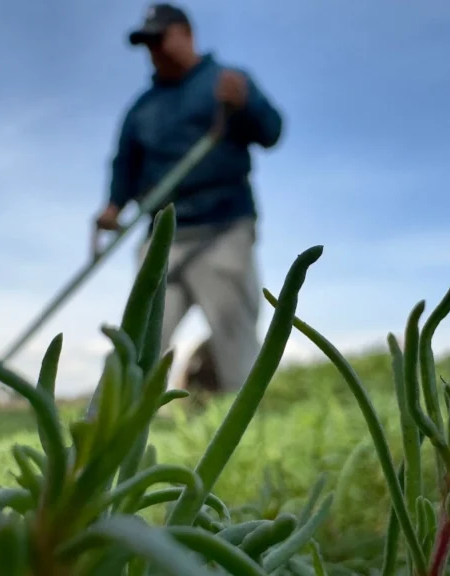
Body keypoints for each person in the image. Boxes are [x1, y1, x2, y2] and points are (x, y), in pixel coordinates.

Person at [94, 3, 283, 393]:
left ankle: (246, 424)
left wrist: (246, 103)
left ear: (186, 34)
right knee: (141, 335)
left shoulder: (225, 81)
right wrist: (113, 205)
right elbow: (124, 164)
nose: (154, 50)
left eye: (159, 39)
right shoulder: (142, 108)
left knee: (234, 331)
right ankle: (109, 425)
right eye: (147, 44)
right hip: (163, 234)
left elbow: (271, 131)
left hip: (222, 226)